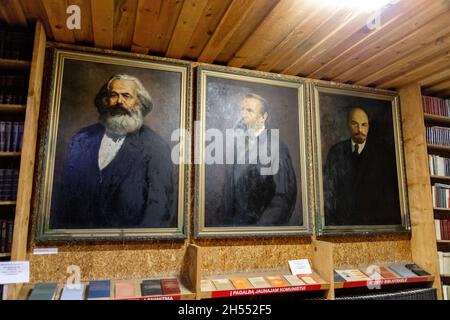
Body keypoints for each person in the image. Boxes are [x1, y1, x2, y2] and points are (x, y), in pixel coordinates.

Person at [50, 74, 176, 229]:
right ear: (105, 100)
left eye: (126, 96)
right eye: (114, 95)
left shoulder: (156, 147)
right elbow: (64, 199)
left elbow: (159, 211)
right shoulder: (81, 139)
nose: (119, 102)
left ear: (138, 102)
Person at [222, 93, 298, 226]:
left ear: (264, 117)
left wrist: (258, 231)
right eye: (242, 109)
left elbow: (283, 196)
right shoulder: (236, 144)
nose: (243, 114)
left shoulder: (275, 147)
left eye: (249, 110)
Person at [323, 107, 401, 226]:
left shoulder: (382, 154)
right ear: (348, 125)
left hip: (373, 226)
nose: (360, 130)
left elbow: (388, 199)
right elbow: (328, 192)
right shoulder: (336, 152)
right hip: (342, 226)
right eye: (355, 124)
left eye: (364, 125)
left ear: (369, 127)